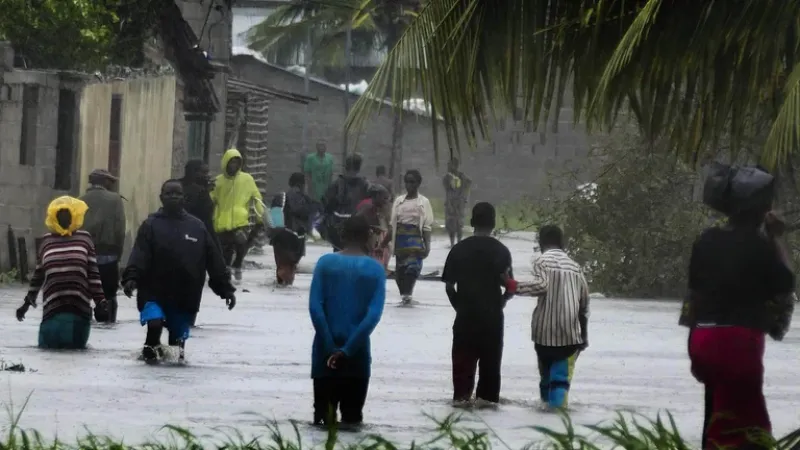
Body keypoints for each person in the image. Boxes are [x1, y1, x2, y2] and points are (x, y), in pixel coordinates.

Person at [680, 207, 794, 449]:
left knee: (715, 411)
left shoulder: (706, 240)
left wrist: (693, 346)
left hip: (703, 339)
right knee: (745, 424)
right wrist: (776, 237)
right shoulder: (761, 246)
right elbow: (786, 283)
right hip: (739, 344)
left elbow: (694, 297)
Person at [123, 179, 237, 364]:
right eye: (169, 193)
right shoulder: (150, 225)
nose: (173, 197)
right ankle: (149, 356)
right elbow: (139, 254)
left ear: (184, 198)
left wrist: (226, 289)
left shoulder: (197, 227)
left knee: (176, 352)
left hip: (185, 296)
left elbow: (214, 260)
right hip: (153, 292)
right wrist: (131, 278)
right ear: (161, 198)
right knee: (154, 324)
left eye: (177, 193)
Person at [309, 215, 386, 429]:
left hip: (324, 355)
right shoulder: (375, 269)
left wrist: (331, 348)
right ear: (366, 237)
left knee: (323, 422)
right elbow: (373, 316)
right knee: (352, 423)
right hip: (357, 357)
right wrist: (347, 350)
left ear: (342, 236)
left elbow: (316, 308)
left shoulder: (325, 263)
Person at [441, 202, 516, 408]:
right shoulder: (501, 252)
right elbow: (510, 286)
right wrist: (500, 302)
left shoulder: (458, 250)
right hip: (492, 321)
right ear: (493, 223)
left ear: (472, 222)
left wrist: (460, 307)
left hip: (465, 319)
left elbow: (448, 286)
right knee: (490, 384)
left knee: (462, 385)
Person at [16, 197, 108, 349]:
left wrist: (101, 302)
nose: (64, 218)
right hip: (53, 311)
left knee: (75, 351)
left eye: (68, 214)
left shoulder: (84, 239)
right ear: (54, 217)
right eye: (60, 214)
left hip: (79, 311)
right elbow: (38, 276)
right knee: (48, 349)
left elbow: (93, 274)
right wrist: (26, 304)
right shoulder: (47, 241)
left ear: (74, 216)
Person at [518, 225, 589, 410]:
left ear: (541, 242)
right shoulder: (575, 266)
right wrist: (585, 336)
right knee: (560, 381)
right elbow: (584, 305)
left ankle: (545, 413)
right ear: (562, 243)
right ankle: (558, 419)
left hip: (544, 333)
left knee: (546, 379)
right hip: (570, 335)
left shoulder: (541, 261)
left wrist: (513, 286)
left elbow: (541, 285)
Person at [211, 148, 265, 283]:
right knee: (226, 248)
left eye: (236, 162)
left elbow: (256, 197)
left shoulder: (247, 179)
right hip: (222, 221)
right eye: (231, 162)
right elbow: (211, 200)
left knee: (241, 243)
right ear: (225, 163)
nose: (233, 165)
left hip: (241, 220)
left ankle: (238, 264)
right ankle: (227, 269)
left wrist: (260, 216)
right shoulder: (218, 182)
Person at [80, 168, 126, 323]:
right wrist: (118, 254)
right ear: (105, 182)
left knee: (84, 293)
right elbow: (120, 229)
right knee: (110, 295)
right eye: (110, 181)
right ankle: (107, 321)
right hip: (108, 255)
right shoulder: (115, 200)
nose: (112, 184)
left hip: (84, 255)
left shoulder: (80, 200)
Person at [180, 160, 219, 327]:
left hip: (172, 244)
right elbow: (207, 224)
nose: (207, 175)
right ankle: (189, 322)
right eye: (203, 172)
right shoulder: (200, 194)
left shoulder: (174, 187)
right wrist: (216, 252)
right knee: (193, 287)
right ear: (194, 172)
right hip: (195, 247)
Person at [389, 169, 434, 306]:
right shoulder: (399, 201)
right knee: (400, 271)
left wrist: (427, 245)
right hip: (400, 241)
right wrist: (387, 242)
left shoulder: (423, 202)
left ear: (418, 184)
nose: (409, 185)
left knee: (412, 268)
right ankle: (405, 296)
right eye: (407, 182)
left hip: (415, 240)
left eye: (412, 182)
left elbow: (426, 226)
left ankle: (408, 295)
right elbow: (392, 223)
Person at [269, 173, 317, 286]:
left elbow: (274, 219)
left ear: (290, 183)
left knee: (282, 266)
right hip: (298, 240)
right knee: (290, 267)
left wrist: (271, 234)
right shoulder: (308, 200)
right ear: (302, 185)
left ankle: (281, 283)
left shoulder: (280, 197)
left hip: (281, 238)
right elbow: (309, 225)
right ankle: (286, 282)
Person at [322, 153, 370, 250]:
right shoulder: (339, 184)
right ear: (359, 167)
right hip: (345, 227)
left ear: (346, 166)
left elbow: (326, 205)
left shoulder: (363, 184)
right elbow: (327, 205)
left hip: (349, 227)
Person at [357, 184, 392, 269]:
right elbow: (356, 225)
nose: (386, 201)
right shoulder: (366, 209)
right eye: (384, 198)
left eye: (387, 199)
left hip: (379, 245)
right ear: (376, 196)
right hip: (368, 246)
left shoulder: (382, 209)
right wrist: (371, 228)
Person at [442, 157, 472, 247]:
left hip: (459, 203)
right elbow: (447, 189)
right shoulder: (447, 177)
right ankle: (452, 243)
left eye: (450, 165)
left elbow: (468, 183)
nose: (448, 167)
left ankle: (459, 242)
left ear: (455, 166)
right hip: (450, 202)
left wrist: (464, 197)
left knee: (459, 224)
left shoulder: (461, 176)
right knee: (450, 223)